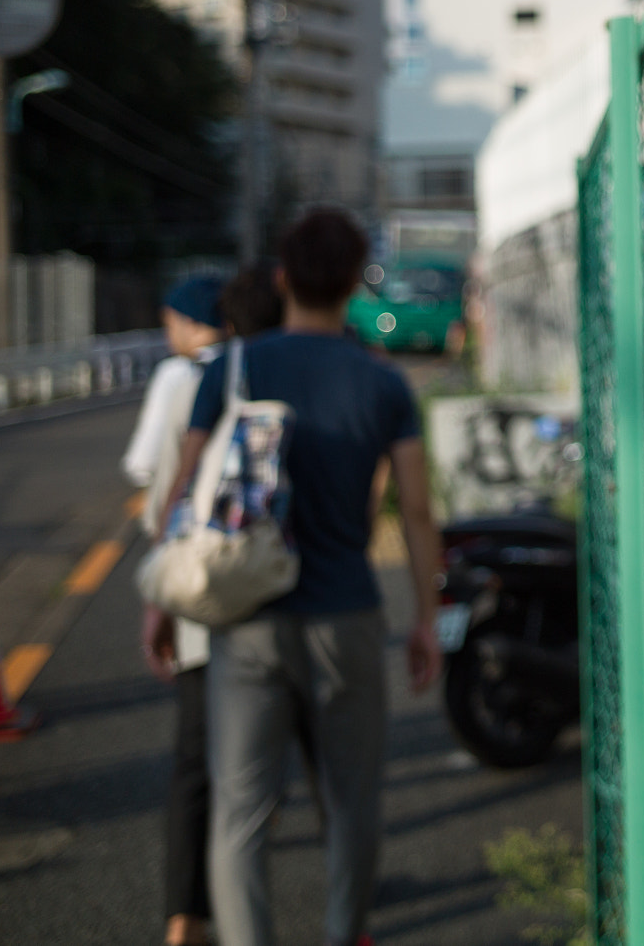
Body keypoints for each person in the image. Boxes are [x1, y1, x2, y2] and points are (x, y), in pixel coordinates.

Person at [145, 209, 442, 946]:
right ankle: (345, 932)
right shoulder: (382, 382)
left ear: (283, 278)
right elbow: (417, 511)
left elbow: (186, 489)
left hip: (247, 615)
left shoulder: (235, 368)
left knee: (241, 810)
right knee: (350, 803)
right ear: (352, 284)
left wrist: (162, 599)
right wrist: (429, 617)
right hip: (346, 612)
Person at [123, 275, 226, 946]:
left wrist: (155, 600)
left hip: (194, 586)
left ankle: (183, 919)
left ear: (190, 321)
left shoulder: (174, 379)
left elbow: (146, 471)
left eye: (170, 318)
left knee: (194, 760)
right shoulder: (260, 363)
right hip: (265, 584)